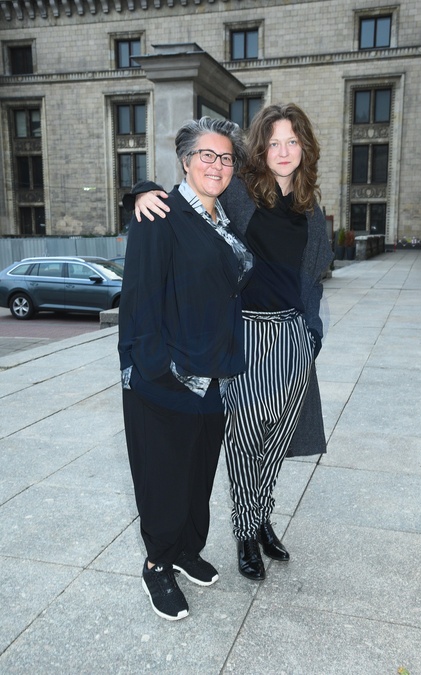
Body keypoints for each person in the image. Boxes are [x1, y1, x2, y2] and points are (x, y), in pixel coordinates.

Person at [126, 103, 333, 583]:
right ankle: (244, 532)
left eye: (292, 142)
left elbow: (312, 279)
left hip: (292, 335)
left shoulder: (310, 210)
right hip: (247, 333)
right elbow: (196, 187)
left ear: (305, 148)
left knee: (278, 437)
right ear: (260, 149)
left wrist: (312, 332)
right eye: (274, 142)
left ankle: (261, 517)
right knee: (244, 439)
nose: (283, 151)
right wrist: (141, 190)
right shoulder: (243, 192)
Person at [118, 116, 253, 621]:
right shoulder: (159, 213)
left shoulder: (224, 217)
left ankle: (185, 550)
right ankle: (157, 563)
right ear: (185, 160)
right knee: (164, 478)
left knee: (197, 474)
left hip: (215, 373)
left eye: (226, 158)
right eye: (206, 155)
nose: (217, 165)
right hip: (167, 376)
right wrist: (156, 370)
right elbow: (140, 296)